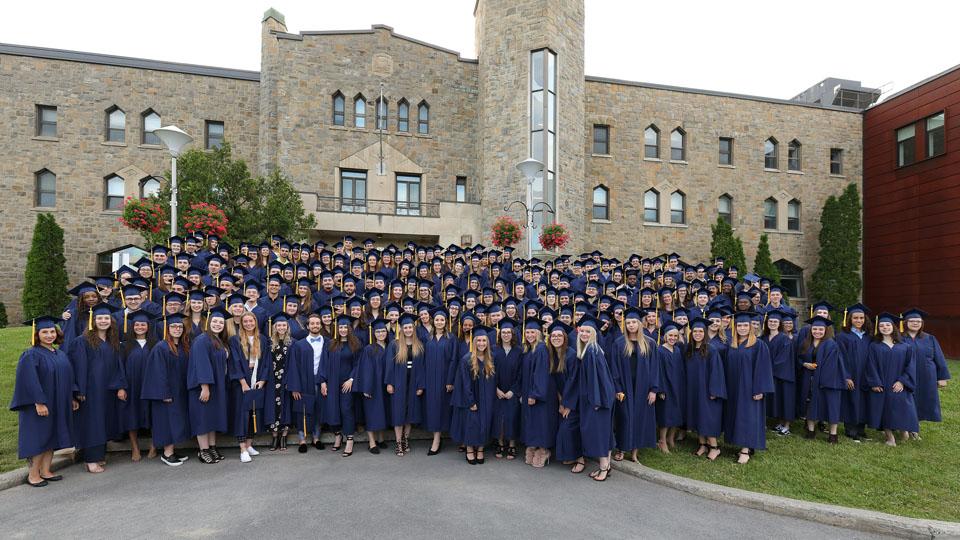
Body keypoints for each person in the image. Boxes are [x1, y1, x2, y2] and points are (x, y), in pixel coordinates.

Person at [10, 316, 78, 486]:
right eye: (44, 332)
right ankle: (33, 475)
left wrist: (71, 397)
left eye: (51, 331)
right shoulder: (31, 355)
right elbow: (29, 381)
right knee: (39, 439)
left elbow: (69, 378)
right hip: (41, 405)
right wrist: (38, 402)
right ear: (37, 334)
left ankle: (46, 471)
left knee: (51, 437)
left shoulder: (60, 353)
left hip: (58, 403)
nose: (49, 335)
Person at [69, 302, 125, 474]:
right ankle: (91, 459)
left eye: (106, 318)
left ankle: (99, 455)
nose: (103, 321)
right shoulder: (82, 341)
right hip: (91, 390)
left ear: (111, 321)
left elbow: (118, 365)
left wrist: (120, 386)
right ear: (93, 320)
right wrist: (80, 391)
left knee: (103, 422)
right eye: (100, 318)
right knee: (92, 424)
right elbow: (78, 367)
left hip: (107, 389)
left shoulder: (112, 341)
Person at [562, 316, 616, 482]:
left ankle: (603, 468)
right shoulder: (592, 350)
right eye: (582, 331)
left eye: (588, 331)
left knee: (598, 433)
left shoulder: (591, 352)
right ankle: (606, 466)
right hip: (601, 399)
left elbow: (596, 380)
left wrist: (596, 402)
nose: (584, 334)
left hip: (597, 400)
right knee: (604, 433)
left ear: (593, 333)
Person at [722, 311, 774, 464]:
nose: (742, 328)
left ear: (751, 327)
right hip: (733, 387)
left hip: (750, 388)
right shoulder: (731, 345)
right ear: (735, 326)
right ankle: (738, 442)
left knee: (748, 416)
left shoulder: (759, 345)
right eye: (739, 325)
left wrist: (760, 389)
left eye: (745, 325)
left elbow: (764, 368)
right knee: (735, 414)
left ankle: (746, 449)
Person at [608, 307, 659, 463]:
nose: (630, 325)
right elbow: (614, 367)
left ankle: (635, 451)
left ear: (639, 324)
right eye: (628, 322)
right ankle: (622, 449)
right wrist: (617, 388)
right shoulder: (619, 343)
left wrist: (654, 390)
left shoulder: (649, 343)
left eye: (633, 322)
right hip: (624, 387)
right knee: (624, 418)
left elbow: (655, 368)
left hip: (643, 388)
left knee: (639, 418)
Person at [141, 313, 191, 466]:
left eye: (180, 327)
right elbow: (158, 373)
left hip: (179, 392)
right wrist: (164, 393)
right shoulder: (161, 348)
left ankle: (172, 450)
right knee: (167, 422)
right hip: (167, 394)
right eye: (173, 326)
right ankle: (167, 453)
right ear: (167, 329)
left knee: (176, 422)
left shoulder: (183, 346)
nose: (177, 329)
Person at [865, 313, 919, 447]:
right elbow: (870, 365)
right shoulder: (874, 346)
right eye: (881, 325)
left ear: (893, 326)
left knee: (902, 408)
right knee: (884, 409)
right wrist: (875, 382)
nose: (885, 327)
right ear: (878, 328)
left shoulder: (905, 346)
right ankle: (890, 438)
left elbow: (910, 366)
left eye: (887, 325)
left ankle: (904, 431)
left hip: (899, 383)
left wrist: (902, 381)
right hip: (882, 383)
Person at [187, 307, 231, 464]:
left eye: (221, 322)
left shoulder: (218, 340)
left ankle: (212, 447)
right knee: (203, 419)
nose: (218, 324)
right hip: (204, 387)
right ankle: (203, 450)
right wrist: (205, 387)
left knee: (212, 418)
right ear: (209, 323)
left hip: (216, 386)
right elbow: (201, 365)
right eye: (215, 321)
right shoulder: (202, 340)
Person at [900, 308, 951, 439]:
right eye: (912, 321)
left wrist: (942, 377)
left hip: (926, 376)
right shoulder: (899, 338)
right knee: (906, 401)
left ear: (922, 323)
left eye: (918, 321)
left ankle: (914, 429)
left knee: (922, 401)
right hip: (906, 376)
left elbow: (939, 358)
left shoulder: (930, 338)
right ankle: (904, 428)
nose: (916, 323)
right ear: (905, 322)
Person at [451, 326, 498, 465]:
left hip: (488, 397)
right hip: (473, 397)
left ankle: (481, 449)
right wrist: (471, 401)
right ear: (474, 341)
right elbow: (465, 383)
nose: (482, 343)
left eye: (484, 341)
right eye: (479, 340)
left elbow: (496, 379)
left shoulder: (491, 358)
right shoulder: (467, 359)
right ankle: (470, 449)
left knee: (485, 423)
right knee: (472, 423)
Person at [228, 312, 269, 462]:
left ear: (255, 322)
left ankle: (249, 444)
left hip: (257, 378)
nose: (248, 324)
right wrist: (243, 382)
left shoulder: (263, 339)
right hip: (242, 382)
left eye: (251, 321)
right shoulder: (235, 340)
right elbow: (235, 361)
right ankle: (242, 448)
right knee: (242, 414)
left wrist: (263, 380)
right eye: (245, 321)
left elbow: (266, 361)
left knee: (254, 413)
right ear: (241, 323)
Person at [320, 314, 363, 457]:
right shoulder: (331, 344)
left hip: (347, 384)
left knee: (346, 409)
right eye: (341, 327)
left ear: (350, 328)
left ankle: (349, 439)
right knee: (333, 409)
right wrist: (323, 381)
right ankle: (338, 435)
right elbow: (324, 363)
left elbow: (358, 364)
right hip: (332, 382)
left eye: (345, 327)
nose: (343, 329)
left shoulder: (356, 344)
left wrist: (351, 379)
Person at [684, 317, 726, 461]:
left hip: (707, 391)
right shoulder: (689, 350)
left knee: (708, 418)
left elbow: (717, 371)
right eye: (695, 331)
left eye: (700, 331)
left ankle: (714, 448)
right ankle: (702, 444)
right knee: (697, 416)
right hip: (693, 390)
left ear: (705, 333)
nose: (697, 334)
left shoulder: (711, 350)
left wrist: (714, 391)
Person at [797, 316, 844, 443]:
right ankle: (811, 431)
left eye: (820, 329)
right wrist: (804, 364)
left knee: (831, 406)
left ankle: (833, 435)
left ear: (826, 330)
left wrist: (820, 376)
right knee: (810, 405)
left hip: (827, 381)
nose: (817, 331)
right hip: (809, 379)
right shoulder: (806, 343)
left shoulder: (831, 344)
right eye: (815, 329)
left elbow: (832, 364)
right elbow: (799, 358)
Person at [383, 313, 425, 456]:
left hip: (413, 382)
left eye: (410, 327)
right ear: (401, 329)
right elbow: (389, 366)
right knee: (398, 412)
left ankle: (406, 439)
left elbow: (422, 367)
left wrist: (420, 385)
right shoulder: (394, 345)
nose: (408, 329)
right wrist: (389, 383)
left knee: (410, 413)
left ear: (413, 328)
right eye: (405, 327)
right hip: (398, 382)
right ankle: (398, 442)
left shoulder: (418, 345)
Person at [118, 311, 157, 461]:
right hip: (132, 386)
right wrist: (121, 387)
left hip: (151, 385)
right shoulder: (125, 345)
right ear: (132, 326)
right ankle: (135, 448)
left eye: (143, 324)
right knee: (131, 416)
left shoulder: (156, 344)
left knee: (154, 415)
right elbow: (119, 367)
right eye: (137, 324)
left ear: (148, 326)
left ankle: (154, 445)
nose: (140, 327)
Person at [519, 318, 557, 468]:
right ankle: (533, 446)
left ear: (539, 333)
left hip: (540, 393)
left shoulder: (541, 349)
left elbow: (541, 373)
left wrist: (535, 394)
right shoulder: (529, 349)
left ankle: (544, 450)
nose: (529, 335)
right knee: (533, 420)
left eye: (532, 332)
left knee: (541, 421)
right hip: (529, 390)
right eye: (527, 332)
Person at [287, 310, 324, 453]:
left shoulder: (327, 343)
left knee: (318, 410)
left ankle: (316, 438)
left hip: (320, 381)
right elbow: (293, 366)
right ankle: (302, 439)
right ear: (307, 326)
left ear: (320, 325)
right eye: (312, 323)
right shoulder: (299, 345)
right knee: (302, 410)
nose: (315, 325)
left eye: (317, 323)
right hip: (303, 382)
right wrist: (295, 387)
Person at [422, 307, 457, 455]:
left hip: (444, 379)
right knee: (433, 408)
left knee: (442, 408)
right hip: (430, 380)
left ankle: (438, 439)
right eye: (437, 319)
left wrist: (450, 381)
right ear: (433, 321)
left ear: (446, 321)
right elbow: (422, 361)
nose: (439, 322)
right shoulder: (428, 339)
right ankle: (436, 438)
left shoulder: (451, 338)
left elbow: (454, 360)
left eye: (442, 319)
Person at [836, 304, 872, 442]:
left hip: (865, 374)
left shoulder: (869, 336)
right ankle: (851, 430)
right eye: (855, 318)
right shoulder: (842, 336)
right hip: (851, 374)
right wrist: (846, 376)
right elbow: (840, 358)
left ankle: (861, 429)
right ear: (849, 319)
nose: (859, 320)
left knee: (864, 400)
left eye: (861, 318)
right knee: (850, 400)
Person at [355, 318, 390, 454]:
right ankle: (372, 442)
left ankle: (381, 439)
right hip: (373, 386)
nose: (381, 333)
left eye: (383, 331)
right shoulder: (369, 349)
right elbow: (365, 370)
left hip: (385, 386)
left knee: (382, 412)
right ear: (374, 333)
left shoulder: (391, 346)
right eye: (378, 331)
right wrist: (366, 388)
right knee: (371, 413)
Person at [491, 318, 522, 460]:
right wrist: (495, 389)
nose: (506, 335)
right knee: (499, 419)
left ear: (512, 334)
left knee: (512, 417)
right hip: (497, 391)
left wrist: (513, 391)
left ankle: (512, 444)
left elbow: (521, 374)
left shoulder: (519, 352)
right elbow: (490, 372)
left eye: (508, 332)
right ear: (500, 334)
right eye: (503, 332)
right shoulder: (494, 350)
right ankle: (500, 443)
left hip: (512, 392)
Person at [762, 309, 796, 436]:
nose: (772, 323)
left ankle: (786, 425)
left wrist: (766, 368)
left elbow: (783, 359)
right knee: (775, 400)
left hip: (782, 375)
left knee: (784, 398)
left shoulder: (785, 339)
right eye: (770, 321)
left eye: (775, 321)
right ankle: (778, 422)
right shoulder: (763, 338)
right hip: (768, 375)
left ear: (779, 323)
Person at [264, 314, 294, 451]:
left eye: (284, 325)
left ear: (287, 327)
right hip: (272, 379)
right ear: (274, 327)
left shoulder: (292, 343)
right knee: (273, 406)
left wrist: (290, 380)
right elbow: (265, 362)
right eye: (279, 325)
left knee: (285, 406)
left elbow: (294, 364)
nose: (281, 327)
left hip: (286, 379)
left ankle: (284, 436)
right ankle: (275, 435)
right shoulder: (269, 342)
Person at [655, 321, 685, 453]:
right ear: (665, 337)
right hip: (666, 386)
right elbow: (657, 370)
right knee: (666, 414)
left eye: (675, 336)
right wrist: (660, 389)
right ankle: (662, 440)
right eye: (670, 336)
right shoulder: (660, 350)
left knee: (677, 413)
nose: (673, 338)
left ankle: (670, 438)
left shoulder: (677, 350)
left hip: (678, 386)